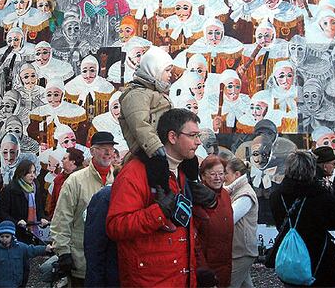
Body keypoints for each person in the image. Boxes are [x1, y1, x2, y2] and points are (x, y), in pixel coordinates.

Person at [106, 108, 217, 287]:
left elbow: (185, 227)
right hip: (149, 281)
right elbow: (115, 226)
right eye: (192, 135)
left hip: (179, 278)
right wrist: (158, 212)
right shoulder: (135, 173)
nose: (198, 142)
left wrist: (210, 201)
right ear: (172, 137)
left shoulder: (183, 172)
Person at [50, 131, 117, 287]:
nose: (108, 152)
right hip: (82, 262)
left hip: (112, 263)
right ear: (92, 151)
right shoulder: (75, 181)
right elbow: (61, 219)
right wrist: (63, 252)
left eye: (111, 148)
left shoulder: (120, 179)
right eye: (102, 148)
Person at [270, 150, 335, 287]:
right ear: (311, 169)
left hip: (291, 258)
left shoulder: (276, 196)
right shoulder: (320, 195)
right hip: (320, 260)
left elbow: (279, 222)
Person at [119, 45, 173, 193]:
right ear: (154, 69)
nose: (170, 75)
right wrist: (155, 146)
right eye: (167, 71)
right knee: (159, 178)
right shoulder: (136, 94)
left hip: (160, 146)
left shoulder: (154, 92)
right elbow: (139, 124)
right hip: (148, 151)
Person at [194, 154, 233, 287]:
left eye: (221, 173)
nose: (218, 178)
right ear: (203, 176)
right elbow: (195, 240)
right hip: (208, 266)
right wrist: (203, 269)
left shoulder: (226, 195)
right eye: (213, 174)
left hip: (225, 263)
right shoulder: (199, 199)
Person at [0, 220, 53, 288]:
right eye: (2, 236)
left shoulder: (20, 247)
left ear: (12, 236)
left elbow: (32, 250)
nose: (4, 239)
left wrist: (45, 248)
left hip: (16, 284)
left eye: (7, 236)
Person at [0, 159, 49, 244]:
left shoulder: (36, 188)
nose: (33, 176)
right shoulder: (9, 190)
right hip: (15, 235)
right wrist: (16, 222)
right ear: (21, 173)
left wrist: (42, 218)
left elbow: (39, 209)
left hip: (32, 234)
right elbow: (1, 213)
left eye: (34, 172)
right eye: (29, 173)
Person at [224, 158, 258, 288]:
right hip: (239, 250)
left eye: (226, 173)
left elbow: (229, 219)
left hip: (242, 251)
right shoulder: (235, 191)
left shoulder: (245, 194)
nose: (223, 176)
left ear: (237, 174)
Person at [48, 147, 85, 218]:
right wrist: (52, 218)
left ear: (72, 161)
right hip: (59, 220)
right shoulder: (59, 178)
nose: (62, 160)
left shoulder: (83, 178)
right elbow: (53, 202)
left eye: (64, 158)